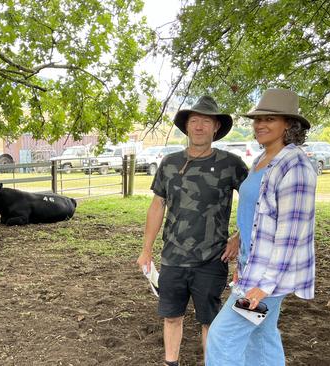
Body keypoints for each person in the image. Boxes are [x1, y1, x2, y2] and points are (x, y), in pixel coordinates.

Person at [205, 89, 317, 366]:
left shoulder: (296, 165)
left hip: (268, 279)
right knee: (262, 335)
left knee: (222, 336)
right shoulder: (261, 161)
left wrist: (264, 286)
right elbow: (258, 215)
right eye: (257, 119)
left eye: (270, 119)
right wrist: (240, 243)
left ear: (289, 125)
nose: (260, 125)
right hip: (253, 270)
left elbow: (290, 234)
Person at [136, 96, 248, 366]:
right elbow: (157, 204)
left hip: (212, 258)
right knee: (172, 316)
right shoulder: (170, 163)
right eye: (194, 121)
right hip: (173, 257)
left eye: (206, 121)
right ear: (186, 127)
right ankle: (170, 362)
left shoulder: (230, 164)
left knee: (210, 320)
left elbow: (254, 201)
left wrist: (239, 237)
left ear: (216, 127)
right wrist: (146, 249)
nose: (199, 126)